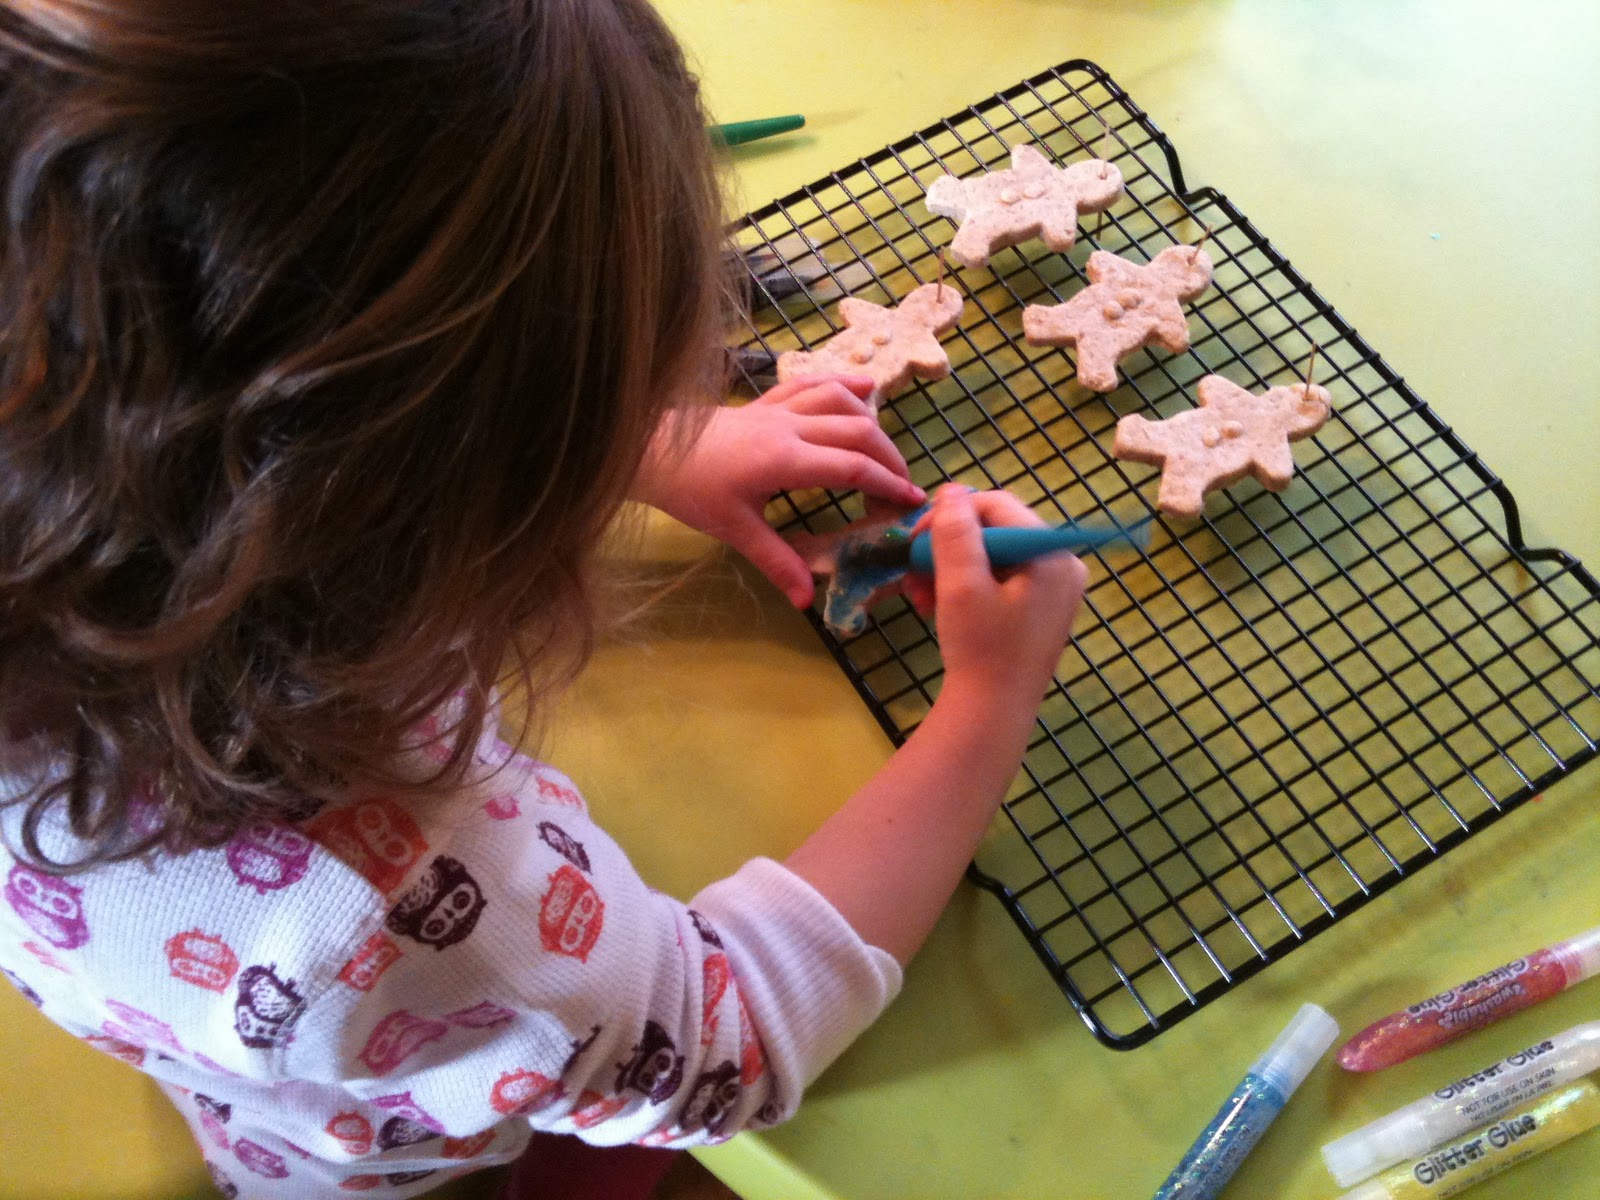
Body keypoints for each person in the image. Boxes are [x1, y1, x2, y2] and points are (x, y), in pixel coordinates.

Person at [0, 2, 1088, 1198]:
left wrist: (637, 446)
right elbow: (727, 1039)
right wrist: (989, 699)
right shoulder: (387, 917)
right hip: (341, 1126)